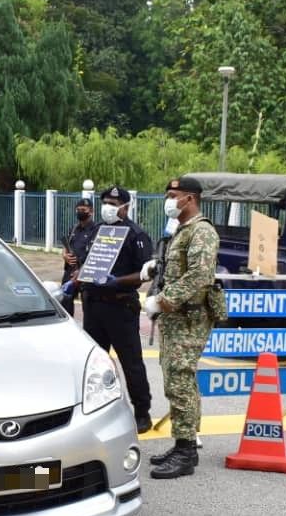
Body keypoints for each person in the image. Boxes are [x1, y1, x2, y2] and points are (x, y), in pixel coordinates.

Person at [141, 176, 219, 479]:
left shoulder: (202, 231)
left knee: (180, 380)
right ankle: (183, 444)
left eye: (173, 195)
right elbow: (177, 268)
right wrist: (155, 266)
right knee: (175, 379)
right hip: (175, 319)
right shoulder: (180, 230)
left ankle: (186, 453)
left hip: (189, 318)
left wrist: (163, 300)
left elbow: (200, 275)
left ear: (190, 198)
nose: (169, 201)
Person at [80, 186, 154, 433]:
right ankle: (95, 411)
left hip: (120, 307)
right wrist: (75, 281)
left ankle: (142, 412)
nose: (108, 207)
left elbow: (144, 274)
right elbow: (86, 263)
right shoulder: (96, 231)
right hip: (94, 306)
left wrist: (118, 281)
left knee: (131, 363)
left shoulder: (136, 235)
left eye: (113, 203)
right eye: (105, 202)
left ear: (126, 206)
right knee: (93, 364)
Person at [59, 197, 98, 316]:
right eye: (78, 209)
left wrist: (82, 270)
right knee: (64, 303)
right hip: (70, 271)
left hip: (86, 273)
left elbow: (96, 253)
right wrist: (64, 255)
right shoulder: (74, 228)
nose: (80, 212)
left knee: (88, 307)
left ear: (91, 211)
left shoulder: (96, 229)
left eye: (83, 210)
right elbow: (66, 246)